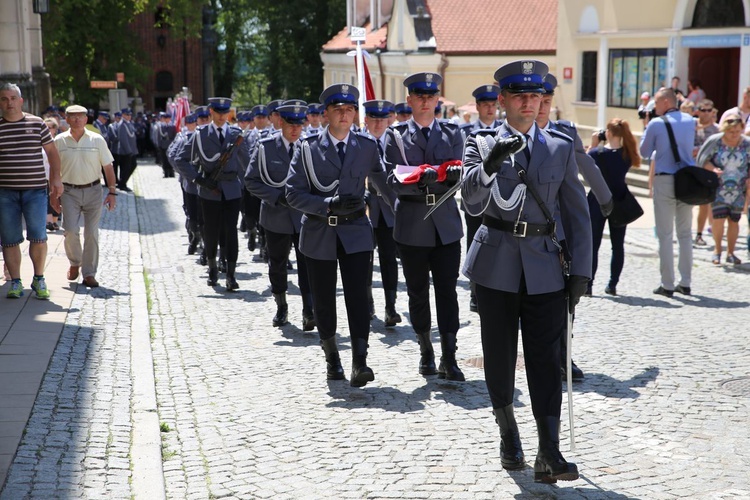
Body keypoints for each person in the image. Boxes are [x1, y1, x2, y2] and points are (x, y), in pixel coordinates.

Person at [461, 60, 590, 483]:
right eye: (520, 95)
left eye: (535, 96)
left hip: (545, 266)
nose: (529, 103)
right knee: (498, 358)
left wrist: (581, 271)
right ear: (502, 101)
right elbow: (471, 200)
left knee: (546, 358)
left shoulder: (558, 144)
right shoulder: (480, 144)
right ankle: (507, 429)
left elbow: (575, 211)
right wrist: (490, 164)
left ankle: (548, 450)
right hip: (496, 264)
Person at [286, 83, 391, 387]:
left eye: (349, 109)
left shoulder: (367, 146)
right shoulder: (307, 149)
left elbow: (383, 183)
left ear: (355, 113)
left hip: (356, 231)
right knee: (324, 299)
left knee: (359, 297)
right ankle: (332, 358)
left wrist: (405, 204)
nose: (344, 115)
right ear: (326, 113)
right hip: (320, 231)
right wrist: (325, 204)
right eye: (338, 109)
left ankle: (360, 361)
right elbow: (292, 193)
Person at [383, 72, 465, 381]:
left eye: (431, 96)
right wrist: (421, 181)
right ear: (410, 100)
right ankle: (426, 349)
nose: (426, 101)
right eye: (420, 96)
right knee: (417, 293)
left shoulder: (452, 133)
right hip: (413, 224)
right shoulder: (396, 136)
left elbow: (458, 171)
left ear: (437, 100)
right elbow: (393, 180)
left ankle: (450, 355)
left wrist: (442, 177)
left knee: (448, 292)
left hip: (445, 225)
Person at [537, 73, 612, 381]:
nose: (540, 107)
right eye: (536, 100)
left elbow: (587, 165)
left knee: (565, 297)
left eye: (546, 101)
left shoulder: (564, 133)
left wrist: (606, 198)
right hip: (523, 230)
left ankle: (564, 355)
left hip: (557, 232)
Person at [245, 101, 315, 331]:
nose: (295, 129)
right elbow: (251, 180)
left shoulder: (311, 147)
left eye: (299, 124)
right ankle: (281, 305)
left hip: (305, 216)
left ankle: (309, 310)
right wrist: (275, 196)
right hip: (276, 216)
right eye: (290, 124)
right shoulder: (266, 147)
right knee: (277, 264)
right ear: (281, 122)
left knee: (307, 265)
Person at [174, 97, 252, 291]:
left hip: (232, 189)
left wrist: (251, 183)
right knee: (210, 230)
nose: (221, 116)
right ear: (211, 112)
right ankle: (212, 268)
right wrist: (198, 179)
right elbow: (179, 160)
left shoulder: (235, 134)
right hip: (209, 190)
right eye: (218, 112)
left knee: (231, 230)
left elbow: (248, 161)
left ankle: (231, 274)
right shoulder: (200, 135)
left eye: (225, 112)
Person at [0, 82, 63, 299]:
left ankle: (39, 278)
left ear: (21, 101)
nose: (9, 103)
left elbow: (53, 153)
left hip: (35, 191)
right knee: (9, 239)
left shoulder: (37, 123)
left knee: (38, 236)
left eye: (12, 98)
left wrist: (56, 179)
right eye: (4, 99)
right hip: (5, 192)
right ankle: (15, 282)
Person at [640, 87, 696, 297]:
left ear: (665, 102)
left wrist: (649, 130)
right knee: (685, 233)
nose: (654, 106)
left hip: (665, 179)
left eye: (656, 102)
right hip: (687, 181)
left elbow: (644, 152)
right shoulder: (691, 120)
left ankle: (668, 284)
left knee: (665, 235)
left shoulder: (656, 123)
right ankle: (686, 282)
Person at [54, 105, 117, 288]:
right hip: (69, 191)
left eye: (80, 117)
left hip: (93, 191)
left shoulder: (97, 140)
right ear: (66, 119)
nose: (76, 120)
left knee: (91, 233)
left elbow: (108, 167)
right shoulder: (59, 141)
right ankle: (75, 262)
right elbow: (54, 169)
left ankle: (89, 273)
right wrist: (53, 194)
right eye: (72, 117)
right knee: (70, 230)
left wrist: (112, 192)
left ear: (86, 119)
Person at [460, 84, 504, 313]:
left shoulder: (506, 131)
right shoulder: (465, 132)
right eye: (485, 105)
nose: (489, 109)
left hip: (499, 200)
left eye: (492, 104)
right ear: (477, 107)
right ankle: (475, 291)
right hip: (476, 199)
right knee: (474, 242)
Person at [587, 119, 641, 295]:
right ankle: (612, 284)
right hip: (619, 200)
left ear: (608, 133)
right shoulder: (628, 155)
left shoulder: (596, 153)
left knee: (592, 245)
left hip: (597, 200)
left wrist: (594, 144)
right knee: (617, 246)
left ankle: (588, 285)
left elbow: (585, 166)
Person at [362, 99, 401, 326]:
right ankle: (368, 304)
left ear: (388, 120)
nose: (378, 124)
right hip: (365, 210)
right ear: (366, 120)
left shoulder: (396, 144)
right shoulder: (358, 143)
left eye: (381, 119)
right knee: (365, 260)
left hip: (387, 210)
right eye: (373, 119)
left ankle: (391, 306)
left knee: (388, 259)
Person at [695, 114, 750, 265]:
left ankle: (731, 253)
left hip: (738, 189)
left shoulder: (747, 144)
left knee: (734, 220)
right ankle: (717, 250)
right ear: (725, 129)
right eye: (731, 131)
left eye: (738, 131)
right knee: (718, 219)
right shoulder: (716, 142)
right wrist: (713, 169)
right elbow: (703, 159)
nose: (734, 135)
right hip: (719, 187)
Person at [693, 99, 720, 246]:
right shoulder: (692, 125)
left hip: (709, 170)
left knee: (707, 204)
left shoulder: (717, 129)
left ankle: (702, 234)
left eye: (709, 110)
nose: (706, 113)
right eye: (703, 110)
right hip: (692, 169)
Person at [43, 118, 62, 232]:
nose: (47, 130)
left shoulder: (58, 142)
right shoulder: (39, 142)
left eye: (49, 127)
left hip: (56, 175)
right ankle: (49, 221)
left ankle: (54, 221)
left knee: (56, 197)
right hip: (43, 175)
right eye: (45, 127)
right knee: (46, 198)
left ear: (55, 129)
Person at [115, 108, 138, 192]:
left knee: (132, 166)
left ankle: (122, 182)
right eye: (127, 115)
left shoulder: (128, 124)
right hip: (126, 152)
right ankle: (122, 184)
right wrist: (129, 151)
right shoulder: (122, 124)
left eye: (130, 115)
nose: (129, 116)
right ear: (123, 115)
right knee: (126, 168)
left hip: (131, 150)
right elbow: (123, 139)